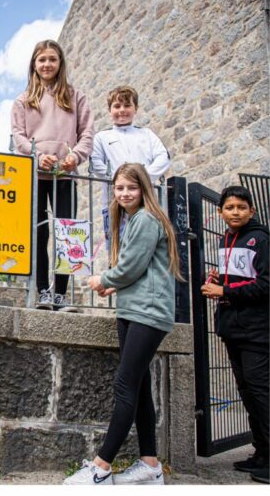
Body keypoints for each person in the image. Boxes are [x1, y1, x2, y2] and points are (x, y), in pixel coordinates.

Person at [63, 163, 184, 485]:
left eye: (132, 187)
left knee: (125, 385)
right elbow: (143, 269)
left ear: (144, 189)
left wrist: (104, 278)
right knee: (140, 387)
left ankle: (101, 468)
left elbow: (130, 266)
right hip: (136, 309)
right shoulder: (137, 220)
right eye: (119, 188)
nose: (125, 193)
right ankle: (150, 465)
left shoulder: (145, 218)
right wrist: (114, 285)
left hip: (147, 312)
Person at [12, 39, 94, 312]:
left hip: (65, 176)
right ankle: (43, 292)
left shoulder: (75, 96)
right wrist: (37, 155)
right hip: (35, 176)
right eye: (42, 59)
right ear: (34, 65)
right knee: (39, 234)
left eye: (52, 59)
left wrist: (76, 156)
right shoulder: (23, 100)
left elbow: (87, 134)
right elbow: (19, 138)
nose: (47, 64)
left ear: (60, 64)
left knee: (68, 235)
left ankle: (61, 293)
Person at [201, 186, 269, 484]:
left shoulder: (262, 239)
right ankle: (262, 453)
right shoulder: (225, 239)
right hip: (233, 327)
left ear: (251, 211)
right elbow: (243, 276)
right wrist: (220, 279)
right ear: (220, 213)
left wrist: (224, 290)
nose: (236, 212)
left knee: (262, 393)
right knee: (246, 392)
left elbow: (267, 284)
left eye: (242, 207)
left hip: (257, 330)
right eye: (230, 207)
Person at [91, 86, 171, 240]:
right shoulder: (101, 137)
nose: (122, 110)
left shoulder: (146, 134)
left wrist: (141, 178)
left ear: (136, 109)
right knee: (118, 245)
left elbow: (163, 157)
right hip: (115, 202)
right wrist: (121, 180)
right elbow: (95, 164)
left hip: (147, 201)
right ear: (110, 110)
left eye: (127, 105)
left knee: (148, 243)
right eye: (117, 106)